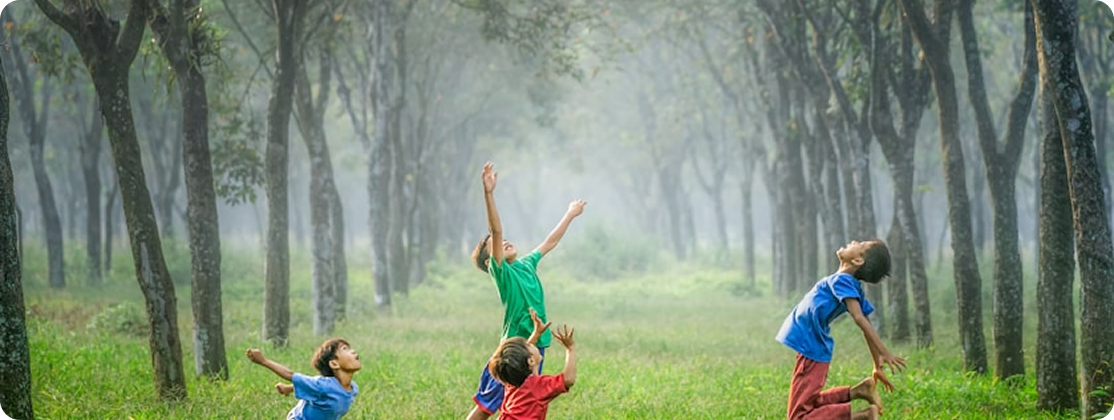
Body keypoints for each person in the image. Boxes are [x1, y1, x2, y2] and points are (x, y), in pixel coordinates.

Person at [466, 162, 586, 420]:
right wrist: (489, 194)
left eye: (503, 242)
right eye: (495, 245)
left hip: (535, 346)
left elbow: (550, 241)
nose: (504, 242)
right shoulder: (502, 273)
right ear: (491, 260)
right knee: (488, 406)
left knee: (524, 404)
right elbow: (496, 230)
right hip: (512, 352)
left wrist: (570, 214)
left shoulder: (527, 264)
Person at [775, 239, 906, 420]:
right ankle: (859, 391)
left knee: (799, 417)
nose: (853, 241)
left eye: (860, 244)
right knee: (809, 402)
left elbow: (860, 319)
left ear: (858, 261)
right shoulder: (849, 284)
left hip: (811, 348)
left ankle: (863, 416)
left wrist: (884, 352)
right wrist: (877, 364)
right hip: (811, 347)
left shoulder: (842, 281)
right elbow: (865, 323)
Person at [489, 308, 577, 420]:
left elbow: (522, 356)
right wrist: (570, 349)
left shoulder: (512, 381)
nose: (532, 344)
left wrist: (536, 333)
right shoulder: (537, 386)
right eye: (530, 345)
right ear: (530, 361)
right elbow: (568, 380)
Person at [246, 338, 361, 420]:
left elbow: (309, 386)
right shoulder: (323, 385)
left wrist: (288, 388)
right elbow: (289, 374)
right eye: (345, 349)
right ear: (334, 364)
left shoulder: (353, 388)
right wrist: (263, 361)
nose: (353, 351)